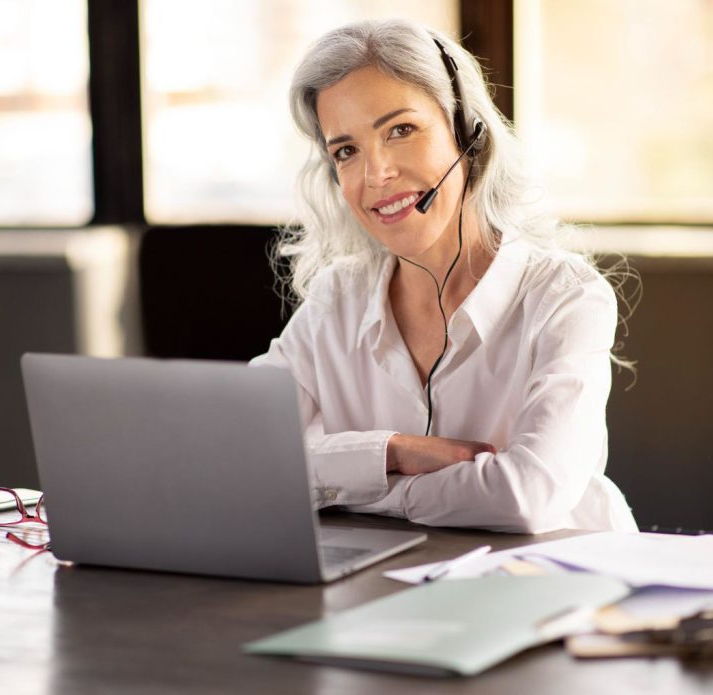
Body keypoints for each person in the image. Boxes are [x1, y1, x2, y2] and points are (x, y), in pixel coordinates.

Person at [250, 19, 637, 534]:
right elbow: (244, 455)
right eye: (346, 150)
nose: (375, 175)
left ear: (468, 131)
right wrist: (392, 452)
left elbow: (525, 495)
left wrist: (351, 486)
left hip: (550, 593)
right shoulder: (337, 298)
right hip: (387, 597)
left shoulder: (565, 297)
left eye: (400, 131)